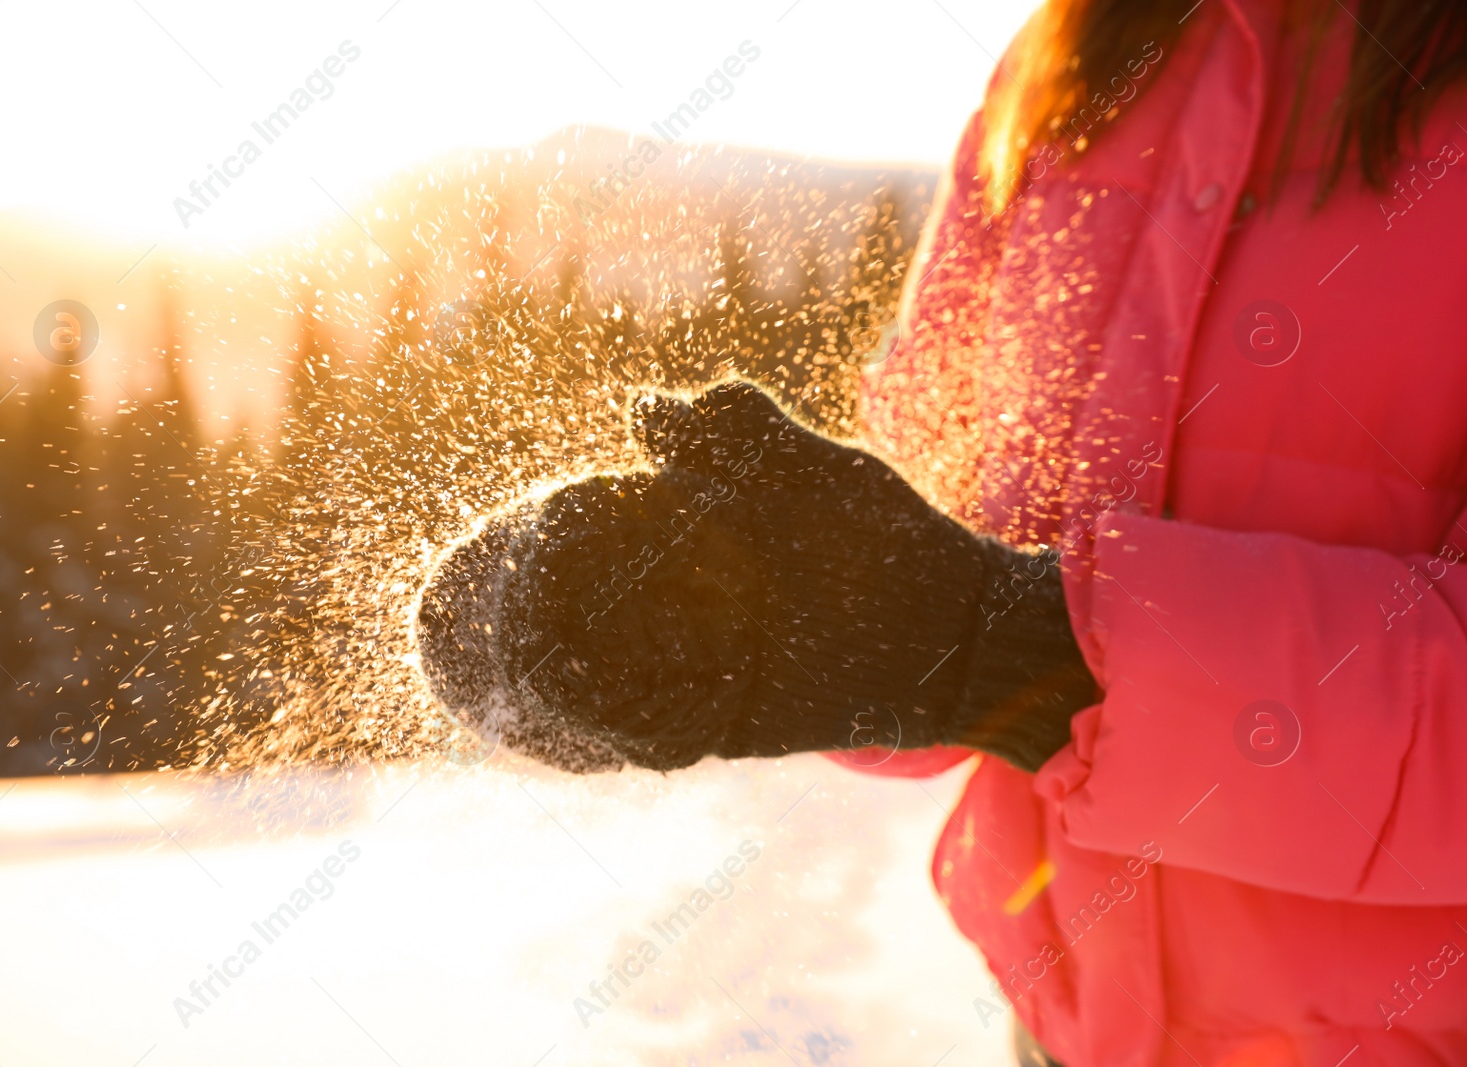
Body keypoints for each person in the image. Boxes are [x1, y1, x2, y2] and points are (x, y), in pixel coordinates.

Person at [415, 0, 1467, 1062]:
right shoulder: (1079, 58)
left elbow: (990, 618)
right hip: (1068, 1031)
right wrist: (775, 600)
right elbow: (947, 526)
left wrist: (1024, 653)